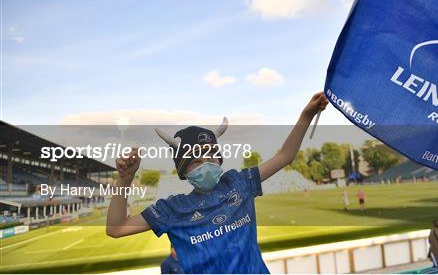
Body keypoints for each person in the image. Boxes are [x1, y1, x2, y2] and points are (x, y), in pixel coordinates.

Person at [105, 92, 328, 274]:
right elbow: (116, 228)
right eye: (196, 161)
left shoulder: (239, 183)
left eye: (212, 155)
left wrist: (306, 115)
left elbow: (284, 156)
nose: (207, 164)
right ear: (183, 170)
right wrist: (125, 179)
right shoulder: (173, 209)